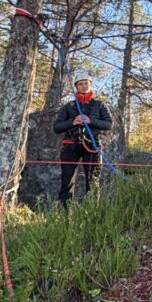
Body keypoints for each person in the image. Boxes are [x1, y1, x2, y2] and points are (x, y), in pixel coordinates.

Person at [52, 73, 112, 207]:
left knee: (92, 180)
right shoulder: (69, 106)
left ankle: (92, 212)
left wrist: (91, 121)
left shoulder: (99, 105)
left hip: (92, 145)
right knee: (67, 181)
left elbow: (108, 124)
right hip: (71, 145)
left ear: (90, 84)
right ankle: (64, 213)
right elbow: (57, 127)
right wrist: (72, 122)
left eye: (86, 83)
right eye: (80, 84)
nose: (84, 86)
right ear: (76, 87)